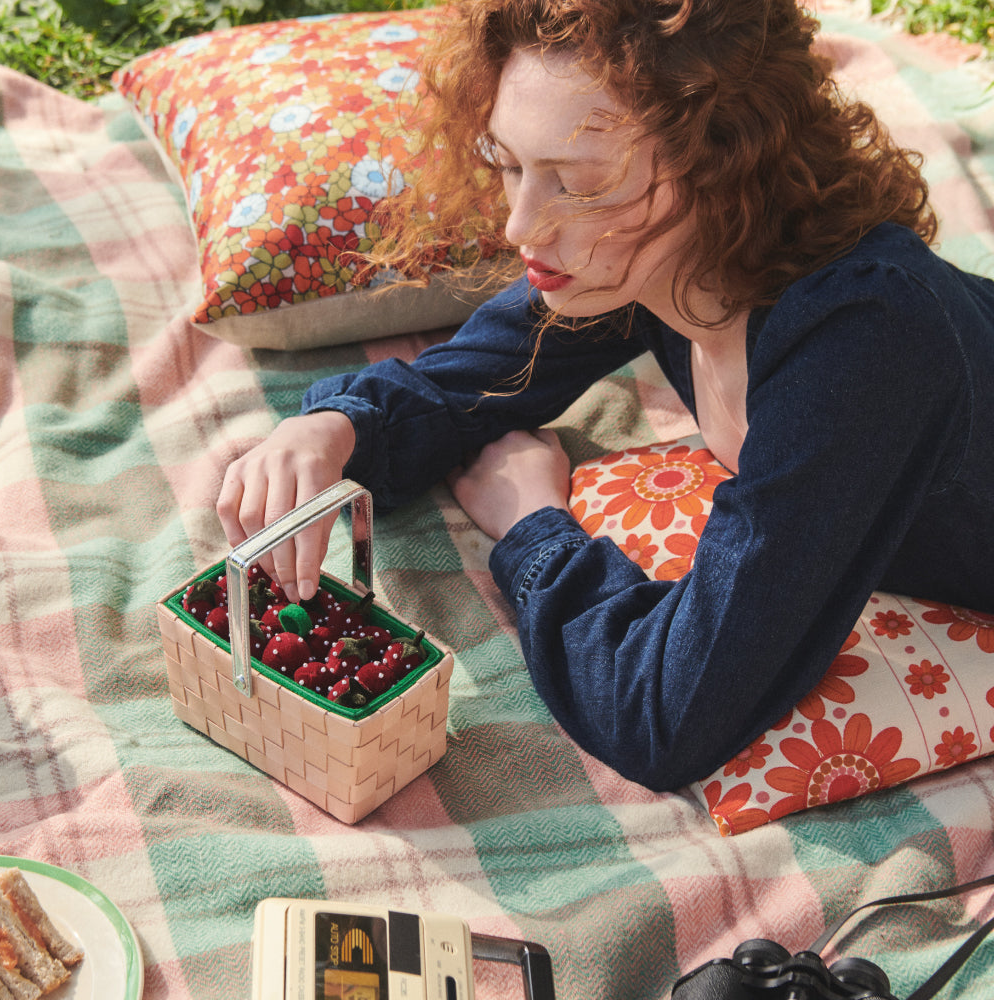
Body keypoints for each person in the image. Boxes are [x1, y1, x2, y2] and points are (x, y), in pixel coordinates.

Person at [218, 0, 994, 792]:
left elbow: (664, 714)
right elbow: (467, 380)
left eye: (578, 183)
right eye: (511, 165)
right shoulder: (652, 258)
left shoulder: (863, 342)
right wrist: (329, 428)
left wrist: (532, 530)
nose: (523, 225)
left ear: (720, 158)